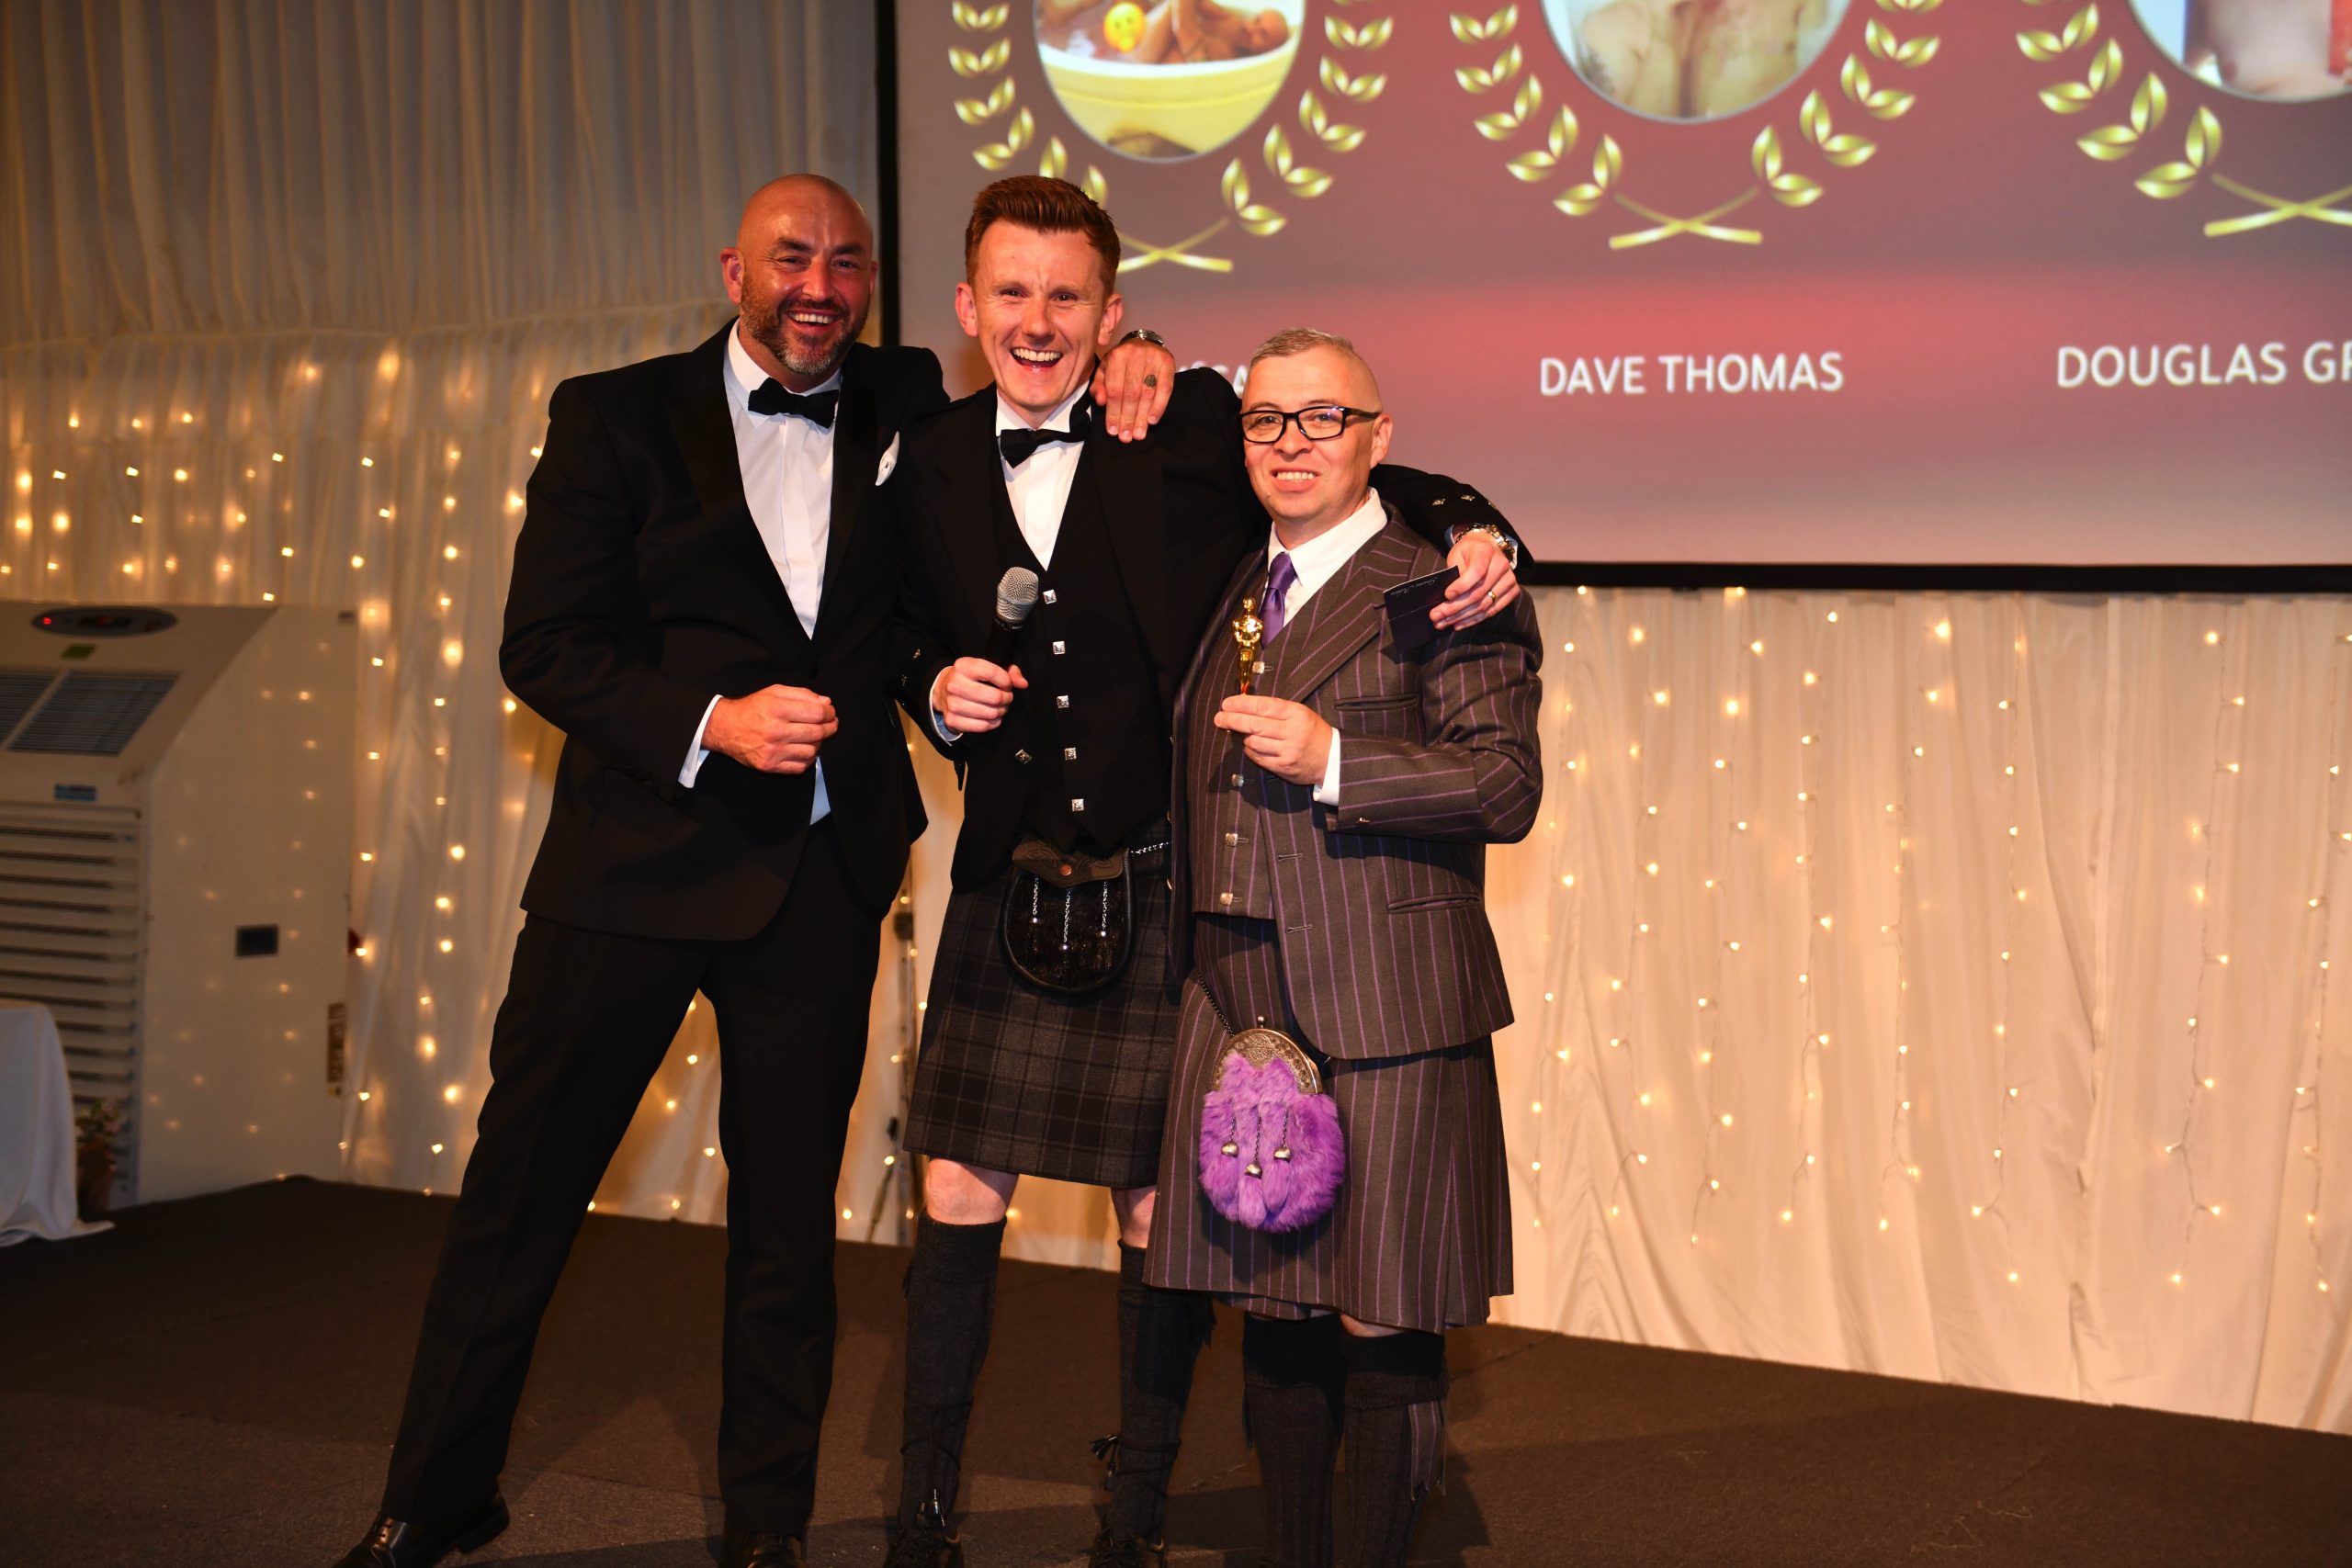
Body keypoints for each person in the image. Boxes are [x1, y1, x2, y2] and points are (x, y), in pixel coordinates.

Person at [330, 175, 1174, 1568]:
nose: (820, 286)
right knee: (522, 1197)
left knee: (788, 1235)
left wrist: (1147, 359)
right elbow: (542, 647)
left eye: (847, 263)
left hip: (821, 883)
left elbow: (1038, 421)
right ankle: (432, 1496)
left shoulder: (909, 400)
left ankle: (768, 1528)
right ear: (737, 266)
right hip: (631, 875)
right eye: (794, 257)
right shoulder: (612, 413)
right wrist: (709, 724)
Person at [884, 176, 1525, 1568]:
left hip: (1162, 882)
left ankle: (1137, 1514)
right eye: (1012, 292)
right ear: (966, 306)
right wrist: (928, 686)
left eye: (1068, 297)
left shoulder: (1184, 424)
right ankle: (918, 1512)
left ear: (1116, 314)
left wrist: (1482, 527)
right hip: (1013, 872)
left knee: (1171, 1212)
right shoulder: (926, 455)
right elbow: (878, 620)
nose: (1039, 322)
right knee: (954, 1188)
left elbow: (1353, 468)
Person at [1146, 328, 1542, 1568]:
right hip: (1242, 1004)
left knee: (1385, 1315)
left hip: (1390, 1005)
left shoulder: (1444, 588)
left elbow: (1504, 786)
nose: (1292, 443)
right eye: (1268, 420)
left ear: (1381, 435)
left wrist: (1337, 762)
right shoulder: (1224, 578)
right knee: (1276, 1316)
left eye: (1325, 419)